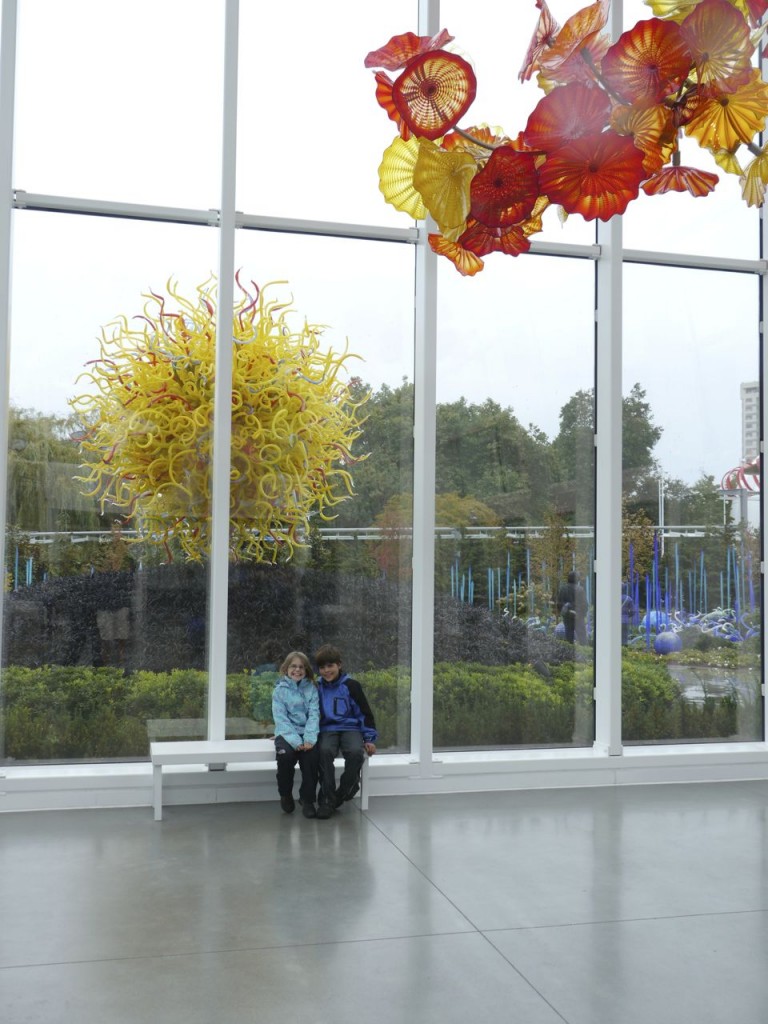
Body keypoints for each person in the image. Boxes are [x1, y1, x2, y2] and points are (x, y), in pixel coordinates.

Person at [313, 643, 377, 819]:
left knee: (356, 752)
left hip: (351, 728)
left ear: (339, 665)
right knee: (324, 751)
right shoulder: (316, 687)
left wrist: (369, 738)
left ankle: (344, 790)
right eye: (322, 667)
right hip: (327, 729)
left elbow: (365, 713)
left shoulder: (351, 685)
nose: (326, 671)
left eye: (330, 666)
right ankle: (327, 798)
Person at [271, 651, 320, 819]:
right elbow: (281, 719)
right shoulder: (279, 691)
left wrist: (309, 739)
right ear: (286, 669)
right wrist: (294, 741)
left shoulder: (312, 689)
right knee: (285, 757)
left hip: (307, 735)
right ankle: (285, 794)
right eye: (293, 666)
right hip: (286, 734)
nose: (297, 670)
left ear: (306, 670)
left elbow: (314, 715)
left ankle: (307, 800)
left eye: (301, 667)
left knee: (312, 759)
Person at [557, 570, 588, 645]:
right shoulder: (580, 589)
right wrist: (582, 614)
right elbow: (584, 604)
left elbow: (559, 603)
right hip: (578, 616)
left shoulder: (563, 589)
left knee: (569, 636)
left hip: (567, 616)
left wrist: (565, 612)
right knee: (582, 637)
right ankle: (585, 652)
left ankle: (569, 653)